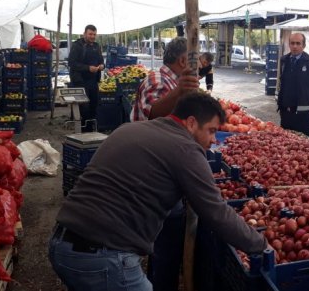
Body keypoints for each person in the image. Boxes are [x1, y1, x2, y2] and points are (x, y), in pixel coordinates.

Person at [49, 92, 266, 291]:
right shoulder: (186, 149)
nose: (212, 140)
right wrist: (260, 245)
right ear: (191, 123)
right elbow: (216, 212)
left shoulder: (132, 128)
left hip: (62, 244)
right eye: (211, 131)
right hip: (102, 257)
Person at [130, 37, 200, 290]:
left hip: (165, 167)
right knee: (166, 240)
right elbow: (155, 114)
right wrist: (182, 91)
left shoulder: (173, 81)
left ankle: (161, 280)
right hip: (153, 172)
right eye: (194, 59)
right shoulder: (158, 80)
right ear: (183, 60)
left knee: (165, 242)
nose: (199, 65)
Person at [277, 32, 309, 137]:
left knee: (305, 143)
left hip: (302, 113)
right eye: (292, 43)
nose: (295, 46)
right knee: (285, 142)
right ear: (289, 44)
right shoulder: (284, 60)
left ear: (303, 45)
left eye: (298, 43)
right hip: (285, 111)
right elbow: (282, 82)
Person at [68, 24, 104, 132]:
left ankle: (91, 127)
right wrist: (88, 68)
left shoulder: (97, 46)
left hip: (93, 80)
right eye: (90, 34)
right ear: (84, 34)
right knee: (84, 106)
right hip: (80, 81)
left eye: (94, 34)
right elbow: (71, 63)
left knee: (94, 103)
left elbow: (101, 60)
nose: (92, 36)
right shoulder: (77, 45)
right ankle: (83, 129)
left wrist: (102, 66)